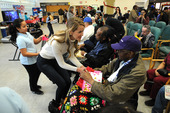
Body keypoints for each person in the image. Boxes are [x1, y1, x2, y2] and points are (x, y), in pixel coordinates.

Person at [59, 36, 146, 112]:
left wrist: (90, 80)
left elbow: (113, 95)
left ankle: (66, 109)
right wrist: (91, 72)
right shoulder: (125, 58)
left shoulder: (138, 72)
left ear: (130, 53)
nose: (116, 52)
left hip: (116, 99)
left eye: (120, 50)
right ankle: (64, 109)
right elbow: (106, 68)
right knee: (76, 88)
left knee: (76, 98)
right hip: (109, 86)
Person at [36, 17, 86, 112]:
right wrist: (78, 69)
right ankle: (55, 104)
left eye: (83, 31)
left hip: (54, 59)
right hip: (44, 61)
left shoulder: (72, 39)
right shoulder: (57, 42)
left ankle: (64, 99)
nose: (82, 34)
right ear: (71, 31)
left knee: (67, 80)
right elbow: (62, 64)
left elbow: (71, 56)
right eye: (79, 32)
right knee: (62, 84)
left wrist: (81, 66)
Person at [9, 19, 44, 95]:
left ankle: (34, 85)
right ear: (18, 28)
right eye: (24, 26)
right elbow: (24, 53)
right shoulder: (20, 39)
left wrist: (41, 37)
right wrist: (38, 54)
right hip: (27, 61)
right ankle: (33, 88)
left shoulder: (27, 34)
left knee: (38, 71)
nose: (26, 27)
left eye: (26, 25)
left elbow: (35, 41)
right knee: (33, 74)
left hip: (33, 58)